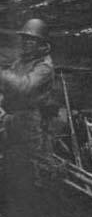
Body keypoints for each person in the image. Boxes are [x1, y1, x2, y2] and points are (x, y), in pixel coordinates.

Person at [0, 18, 54, 156]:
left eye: (31, 39)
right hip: (12, 118)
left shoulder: (44, 67)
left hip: (30, 124)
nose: (25, 43)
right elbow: (6, 87)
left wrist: (2, 74)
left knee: (23, 166)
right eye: (24, 39)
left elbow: (24, 86)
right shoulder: (21, 62)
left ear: (41, 43)